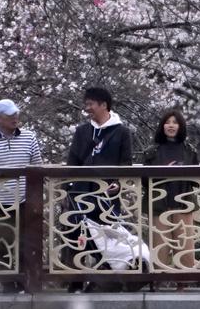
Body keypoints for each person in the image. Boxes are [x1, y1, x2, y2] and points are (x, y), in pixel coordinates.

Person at [64, 87, 134, 290]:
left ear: (104, 105)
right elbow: (72, 163)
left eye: (90, 104)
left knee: (107, 236)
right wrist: (68, 189)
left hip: (107, 194)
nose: (87, 109)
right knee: (77, 235)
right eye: (86, 104)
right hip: (80, 192)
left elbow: (125, 164)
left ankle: (102, 280)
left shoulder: (122, 132)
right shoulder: (82, 131)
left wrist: (118, 183)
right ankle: (76, 281)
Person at [0, 99, 44, 292]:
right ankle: (7, 284)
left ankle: (25, 282)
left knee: (26, 242)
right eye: (10, 115)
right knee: (4, 242)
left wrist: (35, 198)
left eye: (16, 114)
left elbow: (38, 167)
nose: (15, 118)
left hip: (25, 201)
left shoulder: (29, 137)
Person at [142, 110, 199, 275]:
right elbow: (144, 179)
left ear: (181, 126)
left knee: (185, 246)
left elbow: (196, 178)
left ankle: (184, 284)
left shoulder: (189, 150)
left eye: (175, 122)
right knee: (159, 245)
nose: (171, 125)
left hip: (183, 203)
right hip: (159, 204)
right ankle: (158, 283)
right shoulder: (152, 151)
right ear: (162, 126)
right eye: (168, 122)